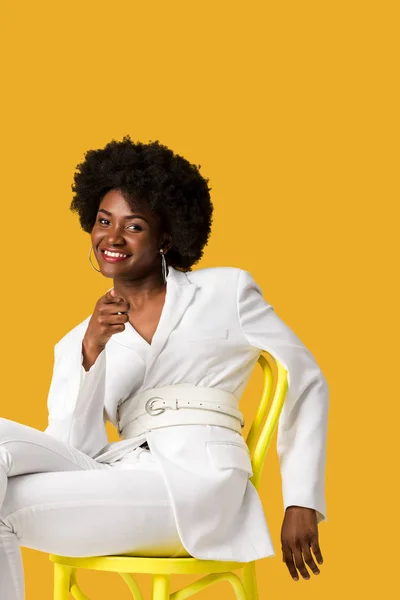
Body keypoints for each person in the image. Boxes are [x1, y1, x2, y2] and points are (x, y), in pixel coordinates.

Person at [0, 136, 329, 599]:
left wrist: (301, 500)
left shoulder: (226, 291)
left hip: (200, 485)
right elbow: (73, 450)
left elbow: (307, 380)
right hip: (116, 476)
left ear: (166, 237)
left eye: (133, 226)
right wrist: (91, 353)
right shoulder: (79, 339)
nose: (112, 238)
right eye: (103, 221)